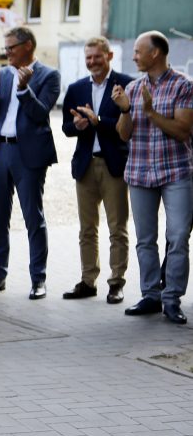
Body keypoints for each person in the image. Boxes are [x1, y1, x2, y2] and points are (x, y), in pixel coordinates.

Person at [113, 31, 193, 324]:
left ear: (155, 53)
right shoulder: (132, 88)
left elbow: (183, 130)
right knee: (145, 239)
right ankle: (151, 295)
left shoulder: (183, 86)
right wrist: (126, 110)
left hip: (176, 172)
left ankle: (172, 299)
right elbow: (124, 134)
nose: (133, 56)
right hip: (139, 172)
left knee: (178, 237)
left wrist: (151, 112)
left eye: (137, 51)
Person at [0, 27, 60, 299]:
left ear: (27, 46)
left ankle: (38, 279)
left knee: (33, 219)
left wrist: (25, 89)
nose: (7, 52)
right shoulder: (1, 75)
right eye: (6, 48)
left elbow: (40, 114)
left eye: (11, 47)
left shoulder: (49, 75)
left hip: (28, 156)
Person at [60, 36, 132, 304]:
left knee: (117, 228)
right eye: (88, 57)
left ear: (109, 56)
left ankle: (116, 283)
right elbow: (67, 127)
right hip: (85, 165)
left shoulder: (126, 83)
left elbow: (128, 128)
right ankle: (88, 281)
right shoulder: (77, 88)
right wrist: (77, 126)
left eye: (97, 57)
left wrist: (98, 120)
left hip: (114, 164)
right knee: (86, 229)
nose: (92, 62)